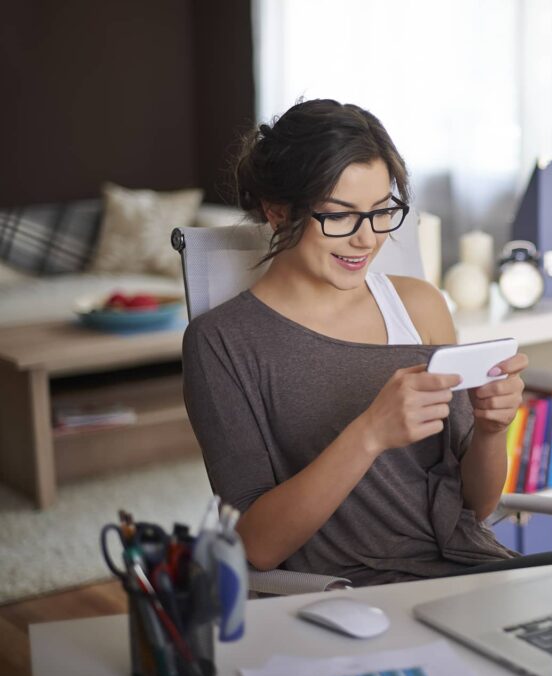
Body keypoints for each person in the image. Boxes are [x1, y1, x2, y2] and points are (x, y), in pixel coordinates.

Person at [182, 99, 529, 586]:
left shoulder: (422, 307)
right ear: (278, 212)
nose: (367, 240)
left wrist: (494, 431)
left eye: (381, 212)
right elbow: (256, 547)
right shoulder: (222, 342)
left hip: (471, 573)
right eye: (340, 216)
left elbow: (476, 506)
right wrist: (370, 433)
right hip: (346, 597)